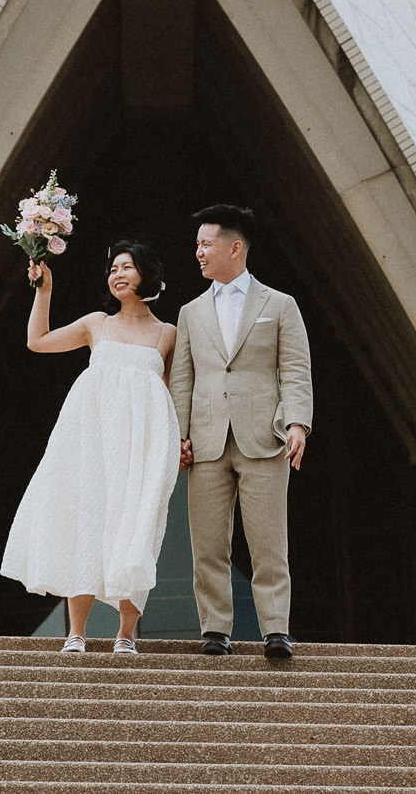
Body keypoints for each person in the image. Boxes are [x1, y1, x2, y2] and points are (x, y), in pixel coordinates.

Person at [0, 239, 180, 654]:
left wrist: (181, 442)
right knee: (87, 523)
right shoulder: (96, 323)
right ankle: (76, 633)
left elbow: (173, 392)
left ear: (146, 273)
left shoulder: (167, 334)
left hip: (141, 445)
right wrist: (44, 290)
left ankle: (126, 634)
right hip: (90, 440)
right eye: (113, 267)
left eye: (126, 267)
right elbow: (37, 341)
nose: (117, 274)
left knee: (136, 528)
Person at [168, 204, 313, 659]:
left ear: (235, 247)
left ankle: (275, 629)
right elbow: (183, 379)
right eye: (197, 245)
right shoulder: (190, 311)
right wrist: (179, 435)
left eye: (205, 244)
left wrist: (297, 423)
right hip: (208, 439)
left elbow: (294, 368)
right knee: (208, 542)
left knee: (269, 538)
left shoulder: (280, 304)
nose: (198, 253)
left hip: (264, 437)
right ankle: (215, 629)